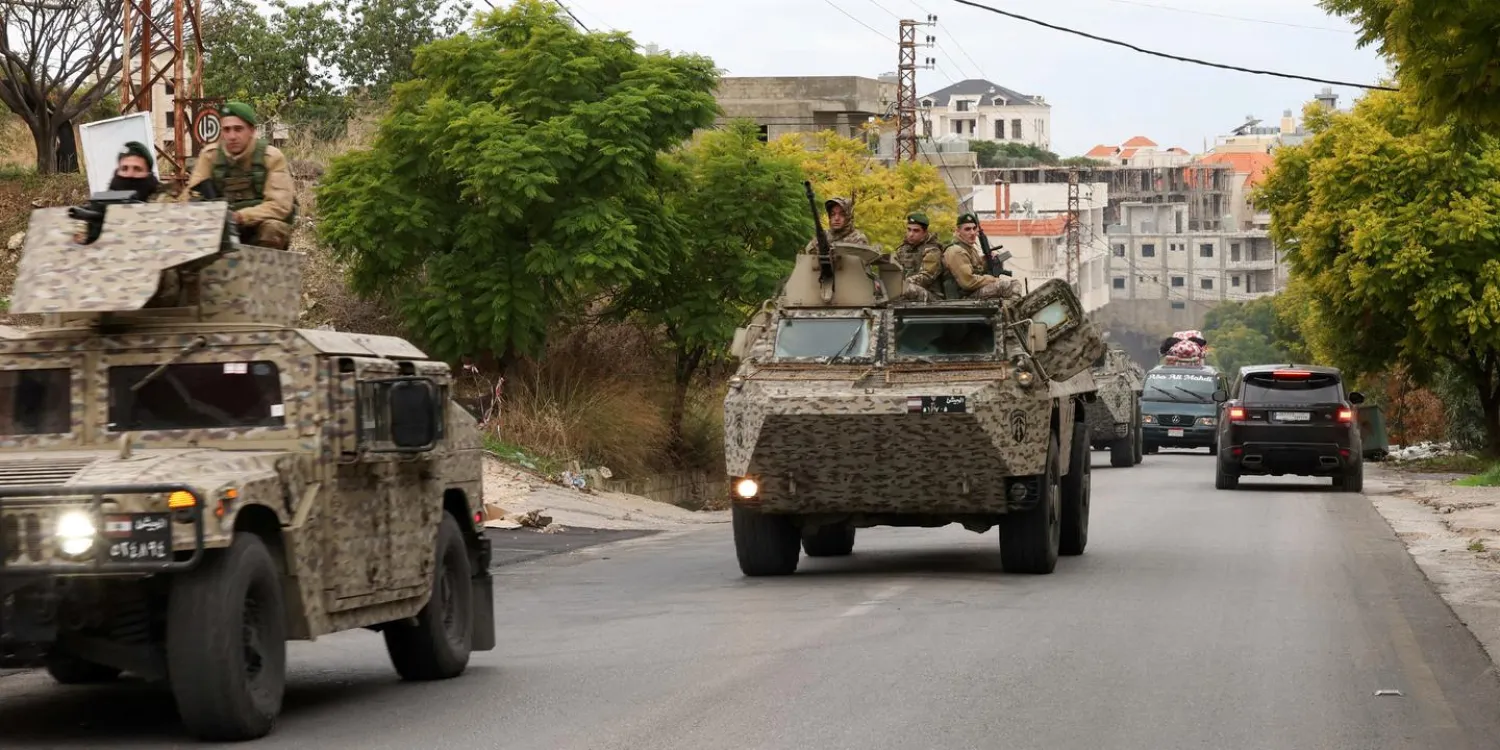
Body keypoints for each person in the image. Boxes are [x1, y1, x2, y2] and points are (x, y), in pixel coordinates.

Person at [182, 101, 296, 250]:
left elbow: (280, 206)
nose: (232, 136)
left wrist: (240, 217)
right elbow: (189, 198)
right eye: (226, 130)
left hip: (259, 225)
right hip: (220, 228)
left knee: (273, 229)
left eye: (238, 129)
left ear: (252, 130)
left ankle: (264, 271)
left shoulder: (271, 157)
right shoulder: (210, 156)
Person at [72, 141, 175, 244]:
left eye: (137, 169)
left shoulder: (164, 202)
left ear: (148, 173)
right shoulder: (102, 202)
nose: (130, 174)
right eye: (124, 168)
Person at [942, 212, 1023, 300]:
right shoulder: (956, 251)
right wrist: (992, 279)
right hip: (962, 297)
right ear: (958, 231)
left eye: (974, 228)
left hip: (971, 292)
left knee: (1015, 283)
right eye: (967, 229)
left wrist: (989, 260)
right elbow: (968, 282)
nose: (972, 233)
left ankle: (1011, 307)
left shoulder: (969, 248)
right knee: (1005, 286)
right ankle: (1015, 310)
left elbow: (977, 268)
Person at [893, 212, 946, 302]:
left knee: (906, 289)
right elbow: (893, 271)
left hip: (932, 297)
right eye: (909, 230)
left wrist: (903, 283)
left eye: (916, 230)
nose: (911, 234)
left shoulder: (932, 250)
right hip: (906, 291)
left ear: (925, 232)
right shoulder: (902, 250)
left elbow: (926, 277)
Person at [801, 196, 869, 253]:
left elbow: (860, 265)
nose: (836, 218)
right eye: (833, 214)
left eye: (842, 214)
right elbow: (808, 259)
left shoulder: (858, 238)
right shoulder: (822, 237)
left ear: (848, 217)